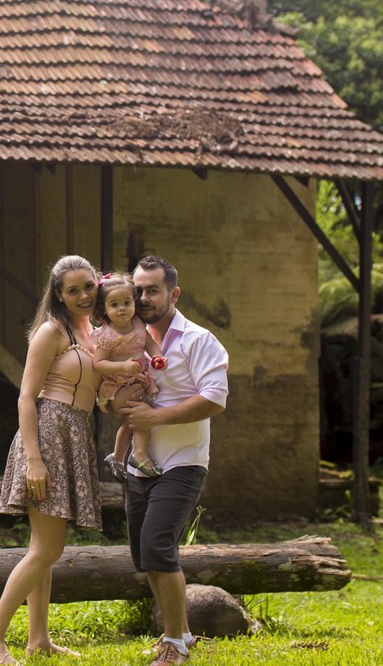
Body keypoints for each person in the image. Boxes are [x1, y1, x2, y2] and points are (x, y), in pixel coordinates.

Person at [0, 255, 118, 665]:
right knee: (47, 550)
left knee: (45, 547)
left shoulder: (95, 332)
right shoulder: (51, 332)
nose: (84, 296)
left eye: (88, 286)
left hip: (76, 433)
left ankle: (38, 639)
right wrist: (35, 459)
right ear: (58, 294)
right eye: (73, 290)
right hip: (48, 434)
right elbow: (25, 397)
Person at [117, 255, 229, 666]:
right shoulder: (129, 338)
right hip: (139, 464)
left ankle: (174, 645)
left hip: (183, 462)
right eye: (138, 290)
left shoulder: (199, 340)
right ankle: (180, 633)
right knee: (143, 554)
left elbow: (215, 399)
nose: (143, 298)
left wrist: (154, 417)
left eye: (152, 290)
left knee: (157, 545)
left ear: (173, 293)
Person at [90, 272, 167, 480]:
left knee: (132, 419)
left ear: (134, 302)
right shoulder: (107, 335)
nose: (122, 308)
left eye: (126, 302)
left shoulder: (139, 324)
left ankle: (117, 456)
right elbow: (97, 363)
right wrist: (123, 366)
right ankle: (139, 454)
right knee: (141, 414)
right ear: (104, 309)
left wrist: (157, 357)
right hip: (118, 383)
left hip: (137, 379)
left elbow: (149, 343)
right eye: (114, 305)